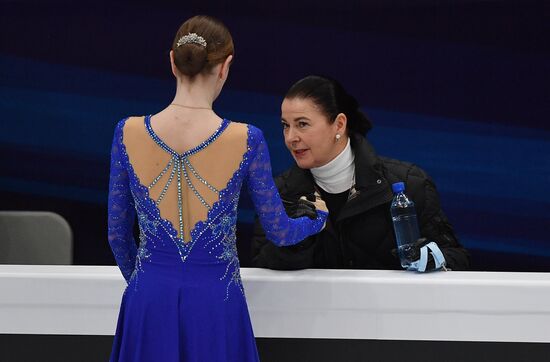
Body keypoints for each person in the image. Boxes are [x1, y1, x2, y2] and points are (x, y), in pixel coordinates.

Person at [107, 17, 327, 361]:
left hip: (148, 301)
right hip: (215, 303)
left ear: (172, 61)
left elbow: (118, 236)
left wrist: (148, 283)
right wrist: (317, 219)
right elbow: (280, 232)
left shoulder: (126, 132)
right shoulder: (247, 139)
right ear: (225, 67)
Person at [251, 75, 470, 271]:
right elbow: (260, 271)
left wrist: (434, 260)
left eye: (302, 124)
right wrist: (295, 241)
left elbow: (456, 258)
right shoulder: (277, 195)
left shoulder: (410, 183)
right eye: (285, 125)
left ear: (339, 124)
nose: (290, 137)